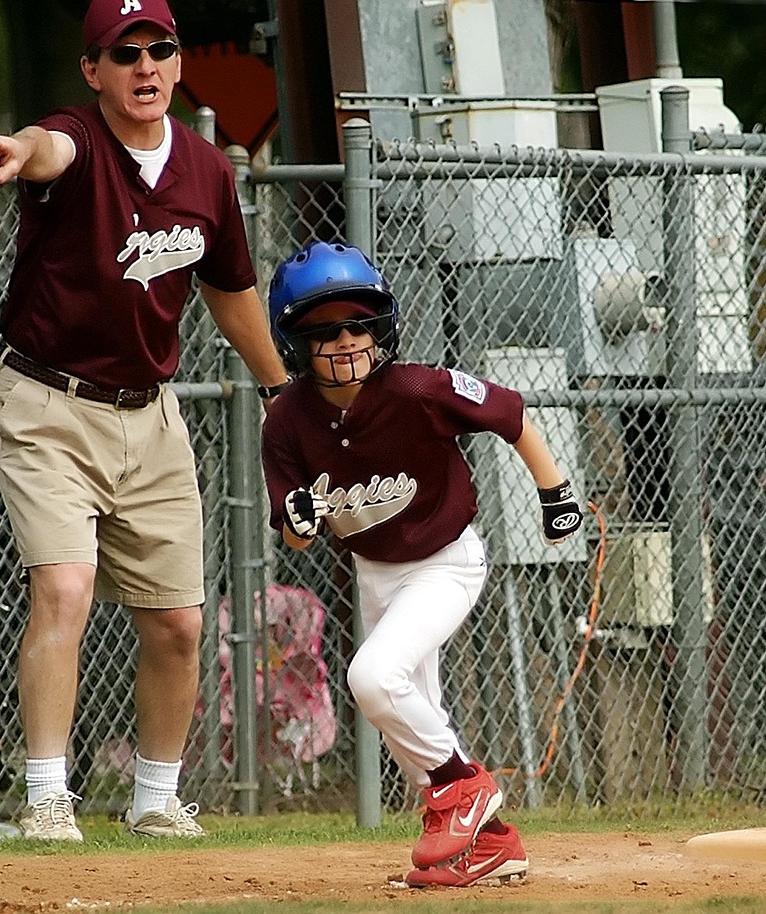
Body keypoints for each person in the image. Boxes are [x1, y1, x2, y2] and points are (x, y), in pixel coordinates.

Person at [0, 0, 291, 841]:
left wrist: (278, 390)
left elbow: (231, 291)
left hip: (150, 416)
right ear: (93, 71)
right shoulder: (75, 140)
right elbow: (48, 146)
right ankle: (48, 797)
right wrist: (19, 150)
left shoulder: (206, 170)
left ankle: (154, 799)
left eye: (159, 49)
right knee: (64, 589)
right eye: (123, 54)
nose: (144, 66)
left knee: (179, 624)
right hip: (47, 404)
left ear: (179, 64)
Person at [260, 240, 585, 887]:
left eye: (359, 324)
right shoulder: (288, 422)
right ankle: (494, 845)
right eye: (325, 330)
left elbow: (510, 413)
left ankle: (467, 788)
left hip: (446, 562)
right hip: (376, 573)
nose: (347, 340)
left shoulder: (414, 388)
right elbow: (296, 539)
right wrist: (299, 521)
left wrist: (556, 493)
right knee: (412, 725)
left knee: (373, 678)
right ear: (295, 345)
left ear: (381, 328)